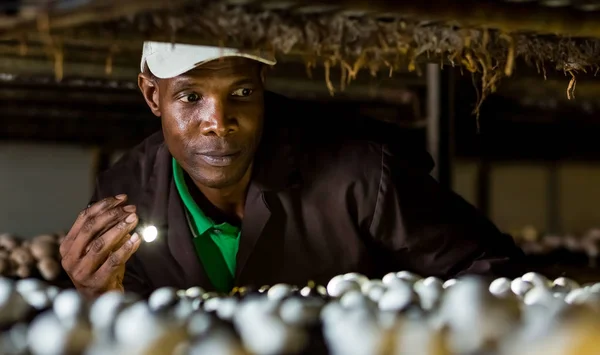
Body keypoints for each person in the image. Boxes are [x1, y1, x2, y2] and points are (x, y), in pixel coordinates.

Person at [59, 41, 525, 299]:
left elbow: (494, 270)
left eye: (241, 93)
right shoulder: (123, 198)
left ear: (263, 85)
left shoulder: (358, 174)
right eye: (190, 97)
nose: (219, 124)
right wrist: (95, 294)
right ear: (151, 95)